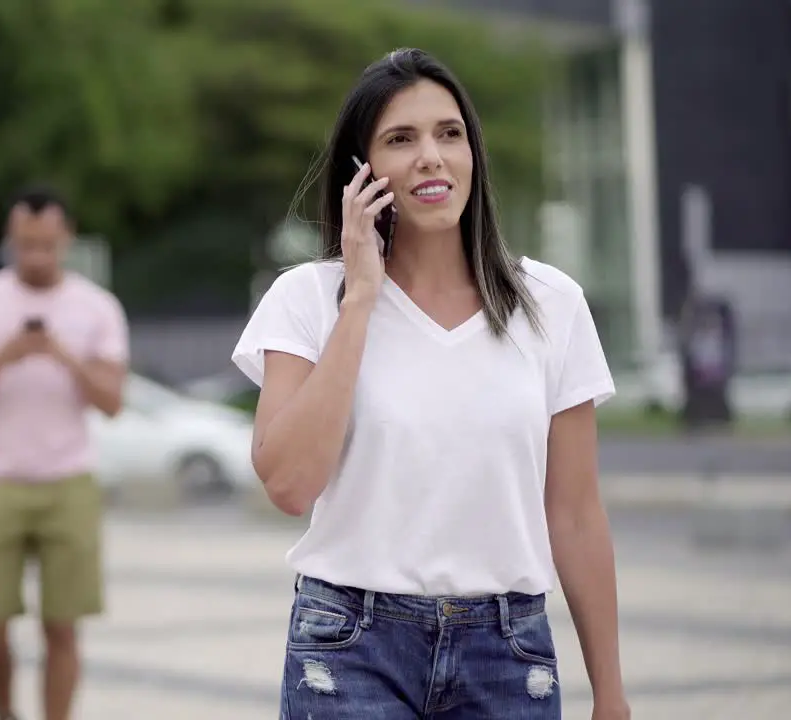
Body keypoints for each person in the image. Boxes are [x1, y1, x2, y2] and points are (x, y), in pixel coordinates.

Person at [231, 49, 629, 720]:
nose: (431, 156)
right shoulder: (307, 299)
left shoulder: (551, 303)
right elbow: (288, 484)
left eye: (449, 134)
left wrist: (610, 693)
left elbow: (577, 514)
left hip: (507, 653)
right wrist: (360, 298)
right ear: (362, 170)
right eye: (400, 139)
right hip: (350, 645)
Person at [0, 186, 129, 720]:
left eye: (46, 245)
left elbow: (113, 401)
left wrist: (63, 356)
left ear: (66, 237)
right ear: (10, 239)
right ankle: (4, 713)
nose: (36, 257)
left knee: (62, 626)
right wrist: (6, 354)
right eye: (25, 245)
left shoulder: (97, 307)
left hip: (69, 479)